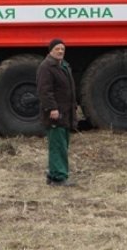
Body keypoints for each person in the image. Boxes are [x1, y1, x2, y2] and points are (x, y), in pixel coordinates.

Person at [36, 38, 78, 186]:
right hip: (55, 113)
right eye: (57, 49)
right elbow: (44, 91)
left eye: (62, 49)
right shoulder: (46, 67)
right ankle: (59, 177)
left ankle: (54, 175)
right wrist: (52, 108)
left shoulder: (64, 66)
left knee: (62, 144)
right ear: (51, 51)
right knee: (57, 145)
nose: (60, 51)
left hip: (65, 113)